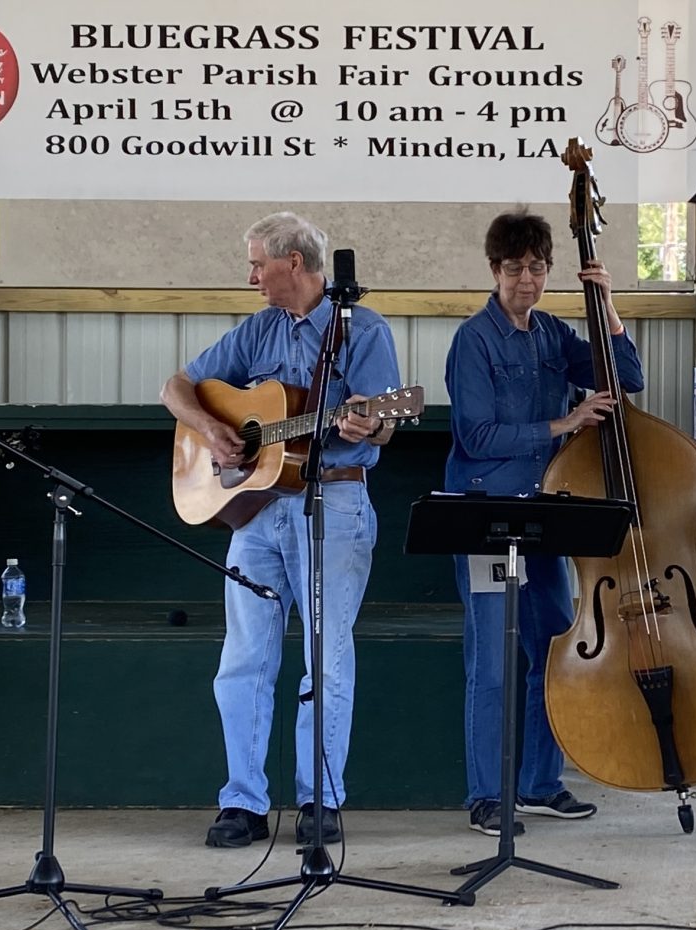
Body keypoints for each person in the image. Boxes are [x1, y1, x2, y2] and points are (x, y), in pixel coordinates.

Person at [161, 212, 404, 849]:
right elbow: (176, 386)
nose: (251, 276)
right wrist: (215, 431)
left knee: (325, 658)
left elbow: (387, 422)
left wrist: (368, 425)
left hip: (336, 505)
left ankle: (320, 799)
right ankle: (242, 801)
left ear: (293, 263)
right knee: (242, 659)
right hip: (257, 513)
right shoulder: (258, 329)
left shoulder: (364, 330)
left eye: (257, 264)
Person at [442, 211, 644, 836]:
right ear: (494, 271)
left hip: (544, 515)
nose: (526, 280)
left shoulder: (555, 333)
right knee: (492, 659)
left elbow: (626, 378)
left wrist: (606, 303)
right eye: (514, 269)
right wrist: (564, 424)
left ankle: (538, 783)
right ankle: (485, 795)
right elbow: (476, 435)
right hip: (485, 514)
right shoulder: (473, 340)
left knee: (554, 647)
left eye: (536, 268)